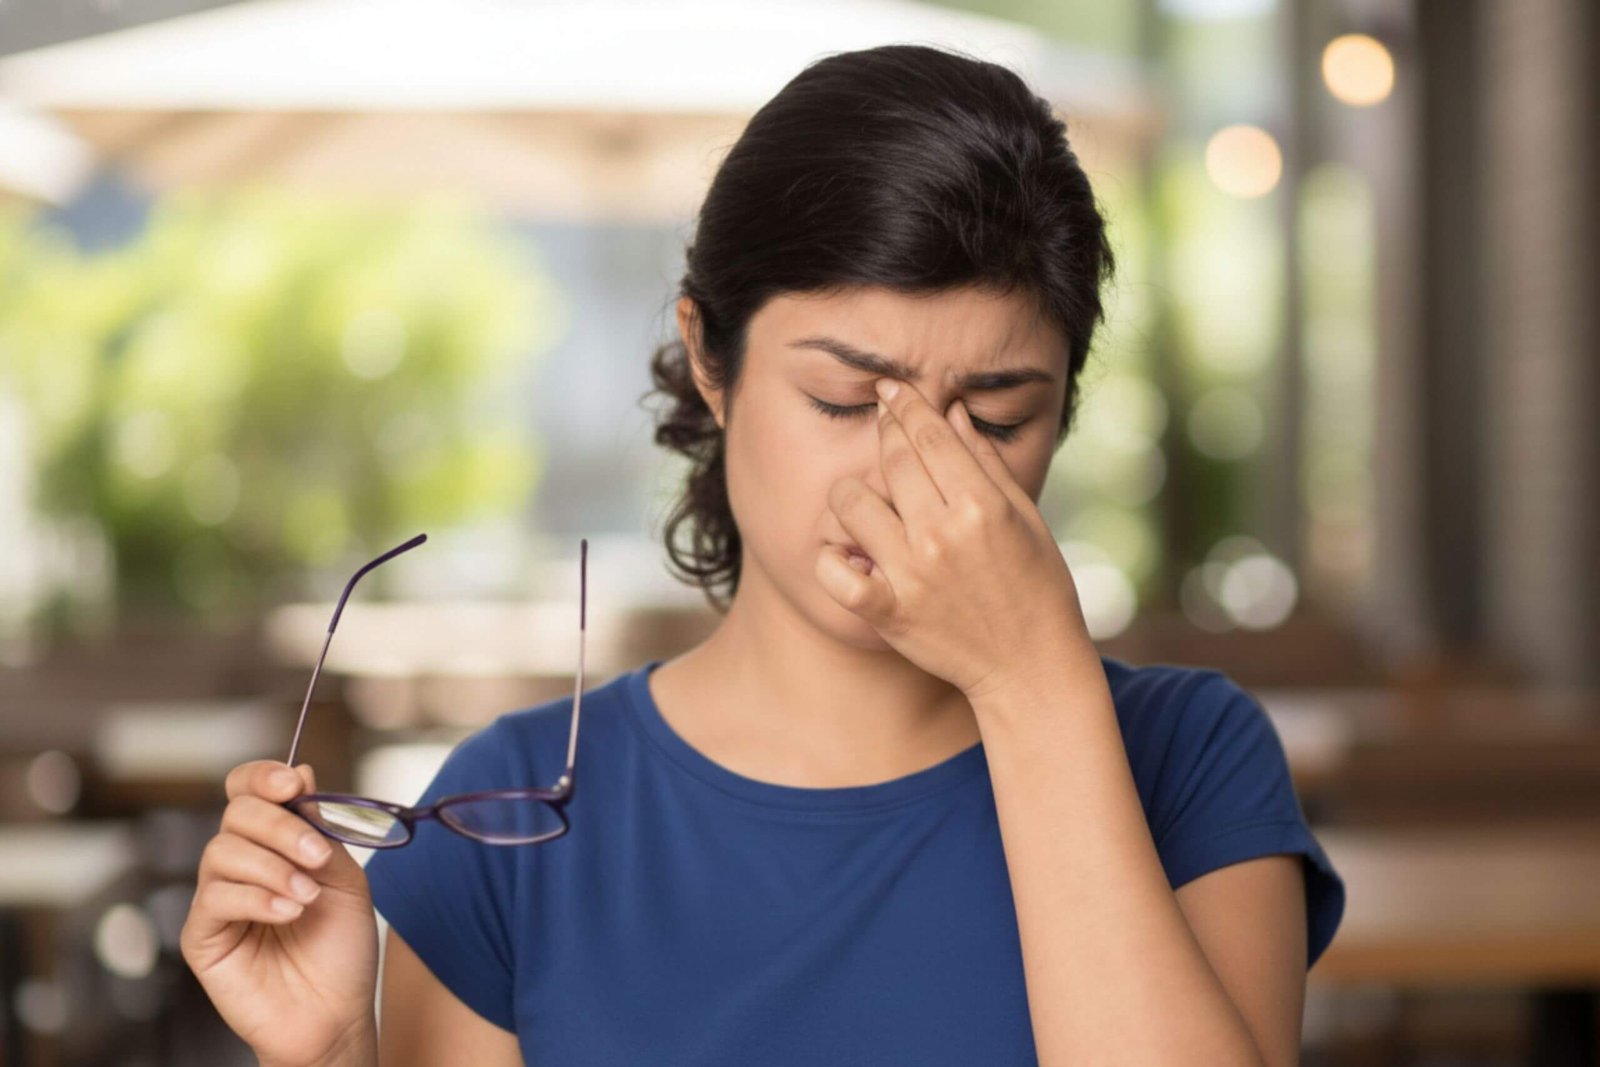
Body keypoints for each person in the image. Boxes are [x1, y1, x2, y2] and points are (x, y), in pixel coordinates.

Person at [182, 43, 1345, 1067]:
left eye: (994, 419)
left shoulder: (1191, 759)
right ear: (710, 358)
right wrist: (333, 1053)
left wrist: (1033, 682)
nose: (908, 475)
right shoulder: (515, 821)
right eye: (844, 397)